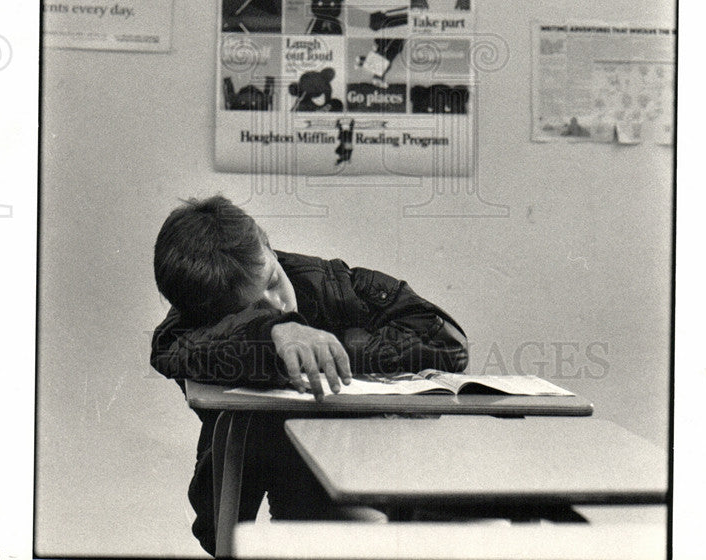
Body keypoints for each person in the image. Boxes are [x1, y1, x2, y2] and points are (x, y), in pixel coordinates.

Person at [150, 195, 468, 555]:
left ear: (268, 246)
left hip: (376, 461)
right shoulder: (189, 325)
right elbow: (170, 349)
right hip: (273, 473)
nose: (280, 304)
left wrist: (330, 348)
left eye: (272, 281)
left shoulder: (327, 282)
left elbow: (447, 344)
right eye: (253, 307)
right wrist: (272, 333)